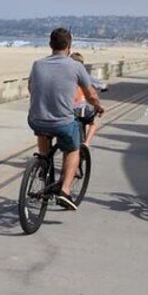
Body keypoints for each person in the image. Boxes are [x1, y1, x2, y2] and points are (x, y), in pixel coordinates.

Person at [28, 28, 105, 210]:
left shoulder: (37, 64)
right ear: (69, 47)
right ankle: (65, 190)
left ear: (50, 45)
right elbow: (91, 95)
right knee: (73, 149)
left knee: (42, 129)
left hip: (35, 118)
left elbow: (31, 88)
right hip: (62, 122)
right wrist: (98, 106)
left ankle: (43, 163)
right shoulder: (76, 66)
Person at [70, 52, 107, 146]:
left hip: (66, 110)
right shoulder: (85, 76)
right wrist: (104, 87)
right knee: (93, 123)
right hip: (81, 111)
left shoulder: (65, 75)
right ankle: (86, 144)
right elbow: (100, 85)